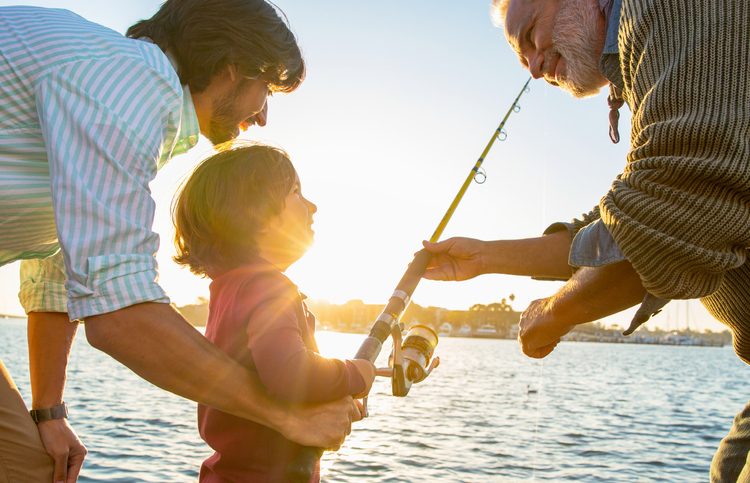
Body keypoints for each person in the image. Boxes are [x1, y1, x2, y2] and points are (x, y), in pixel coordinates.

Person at [0, 2, 360, 482]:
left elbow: (56, 268)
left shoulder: (112, 81)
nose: (264, 116)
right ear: (231, 68)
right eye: (266, 89)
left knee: (32, 465)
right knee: (25, 471)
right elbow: (117, 316)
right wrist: (286, 416)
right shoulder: (134, 84)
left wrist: (49, 411)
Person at [422, 0, 750, 480]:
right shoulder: (653, 55)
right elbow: (628, 222)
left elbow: (674, 214)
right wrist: (485, 257)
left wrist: (553, 316)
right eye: (522, 59)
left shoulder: (665, 10)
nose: (534, 67)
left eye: (531, 35)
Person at [172, 143, 377, 482]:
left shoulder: (231, 289)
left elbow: (270, 376)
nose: (312, 206)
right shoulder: (270, 288)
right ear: (254, 213)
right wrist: (357, 373)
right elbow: (290, 374)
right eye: (296, 192)